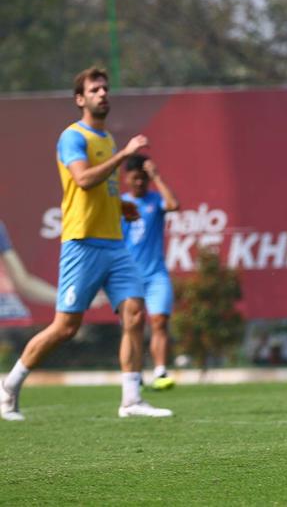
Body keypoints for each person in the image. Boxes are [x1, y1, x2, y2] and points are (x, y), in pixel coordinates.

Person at [0, 67, 172, 421]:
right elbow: (83, 179)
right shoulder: (73, 137)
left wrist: (119, 204)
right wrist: (124, 156)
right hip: (82, 244)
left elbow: (103, 188)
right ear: (80, 99)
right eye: (95, 89)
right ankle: (9, 386)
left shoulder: (106, 139)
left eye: (105, 88)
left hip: (114, 245)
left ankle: (131, 399)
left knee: (135, 312)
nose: (102, 94)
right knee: (66, 327)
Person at [122, 154, 180, 390]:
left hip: (156, 274)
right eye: (135, 178)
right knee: (133, 326)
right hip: (127, 276)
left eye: (143, 179)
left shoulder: (155, 200)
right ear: (127, 178)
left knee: (159, 321)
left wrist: (156, 176)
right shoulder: (119, 203)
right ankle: (134, 374)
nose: (139, 183)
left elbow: (174, 205)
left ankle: (160, 371)